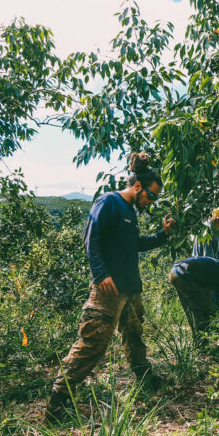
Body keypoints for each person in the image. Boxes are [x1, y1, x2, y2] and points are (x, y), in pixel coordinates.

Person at [46, 152, 176, 421]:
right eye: (150, 196)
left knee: (135, 337)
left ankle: (144, 380)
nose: (151, 202)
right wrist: (101, 274)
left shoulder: (129, 211)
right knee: (93, 343)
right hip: (108, 291)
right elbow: (90, 239)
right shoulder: (108, 202)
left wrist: (164, 235)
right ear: (137, 186)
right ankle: (58, 402)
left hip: (130, 290)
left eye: (155, 199)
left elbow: (135, 244)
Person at [168, 256, 219, 347]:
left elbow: (217, 299)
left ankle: (197, 342)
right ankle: (202, 346)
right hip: (186, 275)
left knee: (191, 311)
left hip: (175, 272)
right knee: (202, 310)